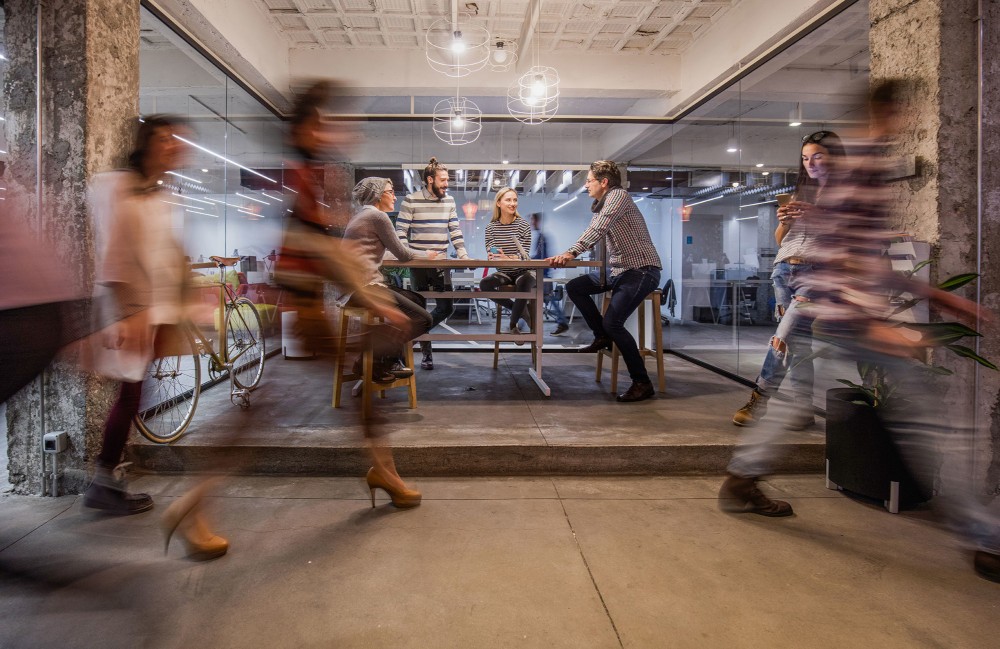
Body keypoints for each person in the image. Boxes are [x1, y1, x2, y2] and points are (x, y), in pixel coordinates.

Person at [718, 80, 1000, 583]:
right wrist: (877, 323)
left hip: (829, 309)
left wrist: (943, 298)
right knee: (929, 427)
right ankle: (984, 535)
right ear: (887, 115)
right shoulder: (860, 174)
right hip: (848, 318)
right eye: (902, 113)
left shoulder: (852, 177)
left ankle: (742, 477)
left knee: (792, 401)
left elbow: (855, 256)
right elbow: (844, 259)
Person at [276, 81, 421, 509]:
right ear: (305, 128)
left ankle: (384, 468)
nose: (334, 133)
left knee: (365, 406)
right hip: (303, 303)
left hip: (310, 299)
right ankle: (193, 504)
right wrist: (372, 298)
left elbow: (323, 250)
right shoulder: (303, 179)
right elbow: (319, 252)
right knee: (253, 422)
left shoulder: (308, 177)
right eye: (324, 125)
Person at [731, 130, 847, 430]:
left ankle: (760, 397)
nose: (811, 163)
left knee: (783, 336)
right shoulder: (802, 193)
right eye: (806, 158)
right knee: (798, 345)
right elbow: (783, 239)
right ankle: (803, 409)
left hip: (816, 273)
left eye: (818, 156)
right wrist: (785, 222)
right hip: (784, 271)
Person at [548, 160, 662, 403]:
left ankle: (642, 382)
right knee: (575, 287)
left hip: (641, 270)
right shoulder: (604, 202)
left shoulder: (618, 196)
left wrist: (571, 252)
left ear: (604, 182)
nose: (587, 185)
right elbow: (598, 225)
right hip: (618, 271)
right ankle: (601, 336)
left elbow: (599, 226)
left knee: (614, 323)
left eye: (589, 181)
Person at [342, 177, 435, 381]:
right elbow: (403, 254)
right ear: (378, 195)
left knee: (417, 300)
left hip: (354, 288)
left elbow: (382, 253)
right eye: (390, 191)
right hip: (365, 288)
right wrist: (427, 255)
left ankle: (389, 360)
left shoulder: (361, 217)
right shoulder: (378, 217)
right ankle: (376, 360)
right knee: (424, 319)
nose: (394, 196)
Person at [395, 157, 470, 370]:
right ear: (430, 179)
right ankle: (427, 355)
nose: (447, 184)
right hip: (418, 264)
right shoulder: (411, 200)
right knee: (420, 310)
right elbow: (400, 232)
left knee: (446, 307)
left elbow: (455, 231)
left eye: (448, 180)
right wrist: (413, 254)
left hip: (441, 265)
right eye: (443, 180)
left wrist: (463, 255)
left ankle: (407, 340)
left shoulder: (449, 201)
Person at [481, 188, 534, 340]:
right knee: (485, 284)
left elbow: (524, 255)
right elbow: (491, 251)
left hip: (523, 271)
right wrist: (491, 255)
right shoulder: (491, 228)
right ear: (498, 203)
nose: (513, 203)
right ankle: (521, 310)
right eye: (508, 200)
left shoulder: (523, 225)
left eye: (515, 200)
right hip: (504, 271)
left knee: (525, 281)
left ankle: (513, 324)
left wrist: (508, 257)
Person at [530, 212, 569, 336]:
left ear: (537, 221)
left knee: (543, 298)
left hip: (543, 273)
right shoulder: (541, 237)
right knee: (544, 298)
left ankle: (562, 321)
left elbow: (541, 256)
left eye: (533, 221)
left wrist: (528, 260)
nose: (531, 223)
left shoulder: (542, 237)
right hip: (542, 273)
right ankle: (562, 322)